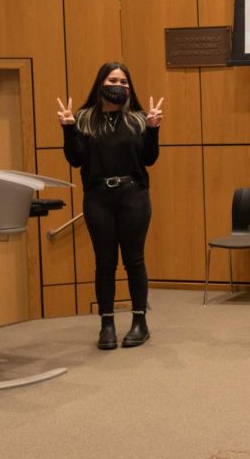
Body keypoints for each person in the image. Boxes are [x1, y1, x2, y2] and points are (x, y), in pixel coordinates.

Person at [57, 62, 164, 350]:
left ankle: (140, 322)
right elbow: (76, 159)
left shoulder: (139, 119)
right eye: (113, 79)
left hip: (133, 196)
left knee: (134, 261)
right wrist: (67, 129)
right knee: (105, 264)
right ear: (100, 84)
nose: (119, 85)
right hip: (98, 198)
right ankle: (106, 324)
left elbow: (149, 158)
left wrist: (153, 129)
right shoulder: (83, 118)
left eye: (124, 81)